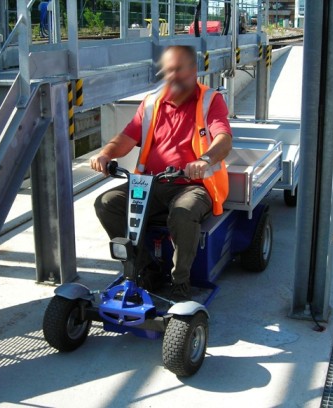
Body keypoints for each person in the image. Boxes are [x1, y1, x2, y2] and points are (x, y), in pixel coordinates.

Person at [90, 45, 232, 301]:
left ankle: (180, 282)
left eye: (178, 69)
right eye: (168, 71)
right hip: (151, 183)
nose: (172, 76)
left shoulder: (210, 100)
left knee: (183, 212)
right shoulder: (151, 103)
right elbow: (126, 138)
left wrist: (204, 159)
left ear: (193, 70)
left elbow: (223, 138)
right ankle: (146, 268)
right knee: (107, 203)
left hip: (193, 184)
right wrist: (105, 154)